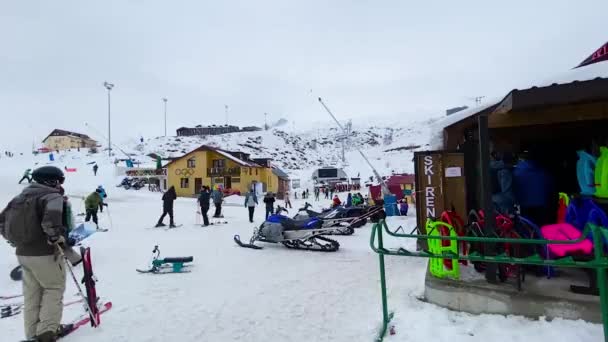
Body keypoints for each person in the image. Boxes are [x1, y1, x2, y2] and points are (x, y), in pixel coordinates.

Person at [0, 166, 81, 342]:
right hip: (45, 254)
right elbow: (51, 225)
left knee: (32, 295)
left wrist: (17, 241)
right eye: (60, 180)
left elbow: (2, 221)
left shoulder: (19, 197)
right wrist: (60, 239)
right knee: (53, 289)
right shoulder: (52, 196)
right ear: (51, 180)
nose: (61, 184)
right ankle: (46, 332)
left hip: (23, 254)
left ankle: (32, 334)